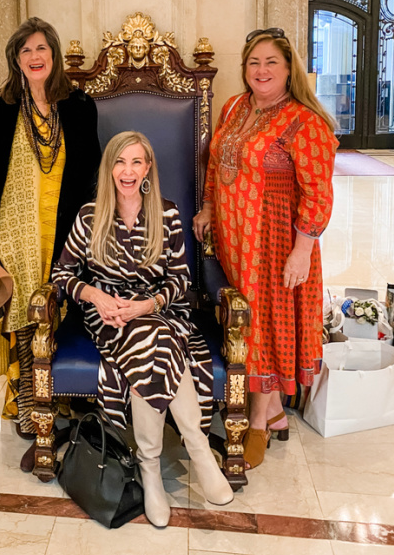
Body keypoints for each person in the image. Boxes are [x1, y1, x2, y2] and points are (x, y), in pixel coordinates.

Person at [52, 131, 233, 528]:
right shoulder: (88, 215)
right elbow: (62, 275)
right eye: (120, 162)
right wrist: (97, 297)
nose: (128, 171)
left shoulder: (166, 214)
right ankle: (194, 452)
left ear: (148, 168)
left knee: (155, 335)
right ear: (109, 168)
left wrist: (148, 305)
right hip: (110, 315)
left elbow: (181, 280)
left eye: (136, 162)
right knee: (155, 341)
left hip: (158, 311)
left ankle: (153, 467)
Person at [193, 28, 338, 469]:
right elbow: (216, 162)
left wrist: (302, 251)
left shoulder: (305, 122)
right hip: (234, 239)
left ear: (288, 68)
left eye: (271, 62)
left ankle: (257, 423)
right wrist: (207, 208)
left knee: (264, 327)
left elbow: (318, 194)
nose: (261, 70)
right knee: (245, 321)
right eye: (254, 62)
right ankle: (272, 412)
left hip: (277, 244)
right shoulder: (235, 107)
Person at [0, 17, 100, 451]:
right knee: (25, 312)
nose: (34, 56)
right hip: (15, 226)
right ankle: (29, 395)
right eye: (25, 50)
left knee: (56, 305)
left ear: (55, 54)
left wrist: (87, 231)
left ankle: (60, 394)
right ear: (16, 58)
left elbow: (91, 174)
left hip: (63, 224)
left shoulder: (80, 106)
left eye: (41, 47)